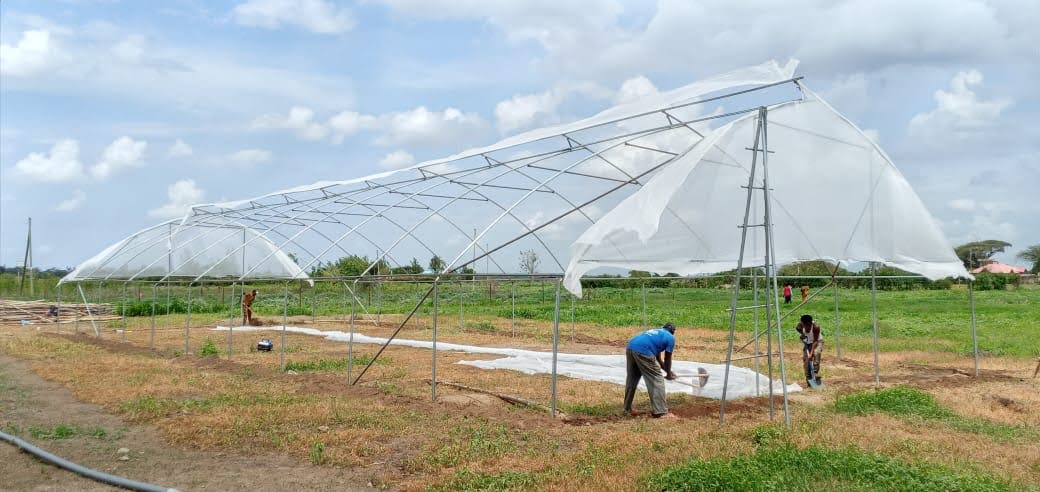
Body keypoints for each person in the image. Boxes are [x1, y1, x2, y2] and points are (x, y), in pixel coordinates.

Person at [624, 322, 678, 419]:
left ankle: (626, 408)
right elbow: (667, 358)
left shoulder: (656, 332)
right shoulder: (670, 337)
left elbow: (658, 359)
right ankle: (661, 412)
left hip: (631, 347)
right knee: (657, 378)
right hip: (643, 350)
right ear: (673, 331)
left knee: (632, 378)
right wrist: (668, 374)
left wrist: (669, 372)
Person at [795, 314, 822, 385]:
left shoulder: (816, 327)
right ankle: (809, 380)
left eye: (808, 325)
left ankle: (815, 373)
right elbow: (798, 329)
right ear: (802, 324)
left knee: (816, 353)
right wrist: (803, 336)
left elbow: (815, 341)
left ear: (811, 323)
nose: (807, 327)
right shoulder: (800, 326)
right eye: (805, 325)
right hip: (808, 343)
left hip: (817, 342)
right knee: (806, 361)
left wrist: (811, 353)